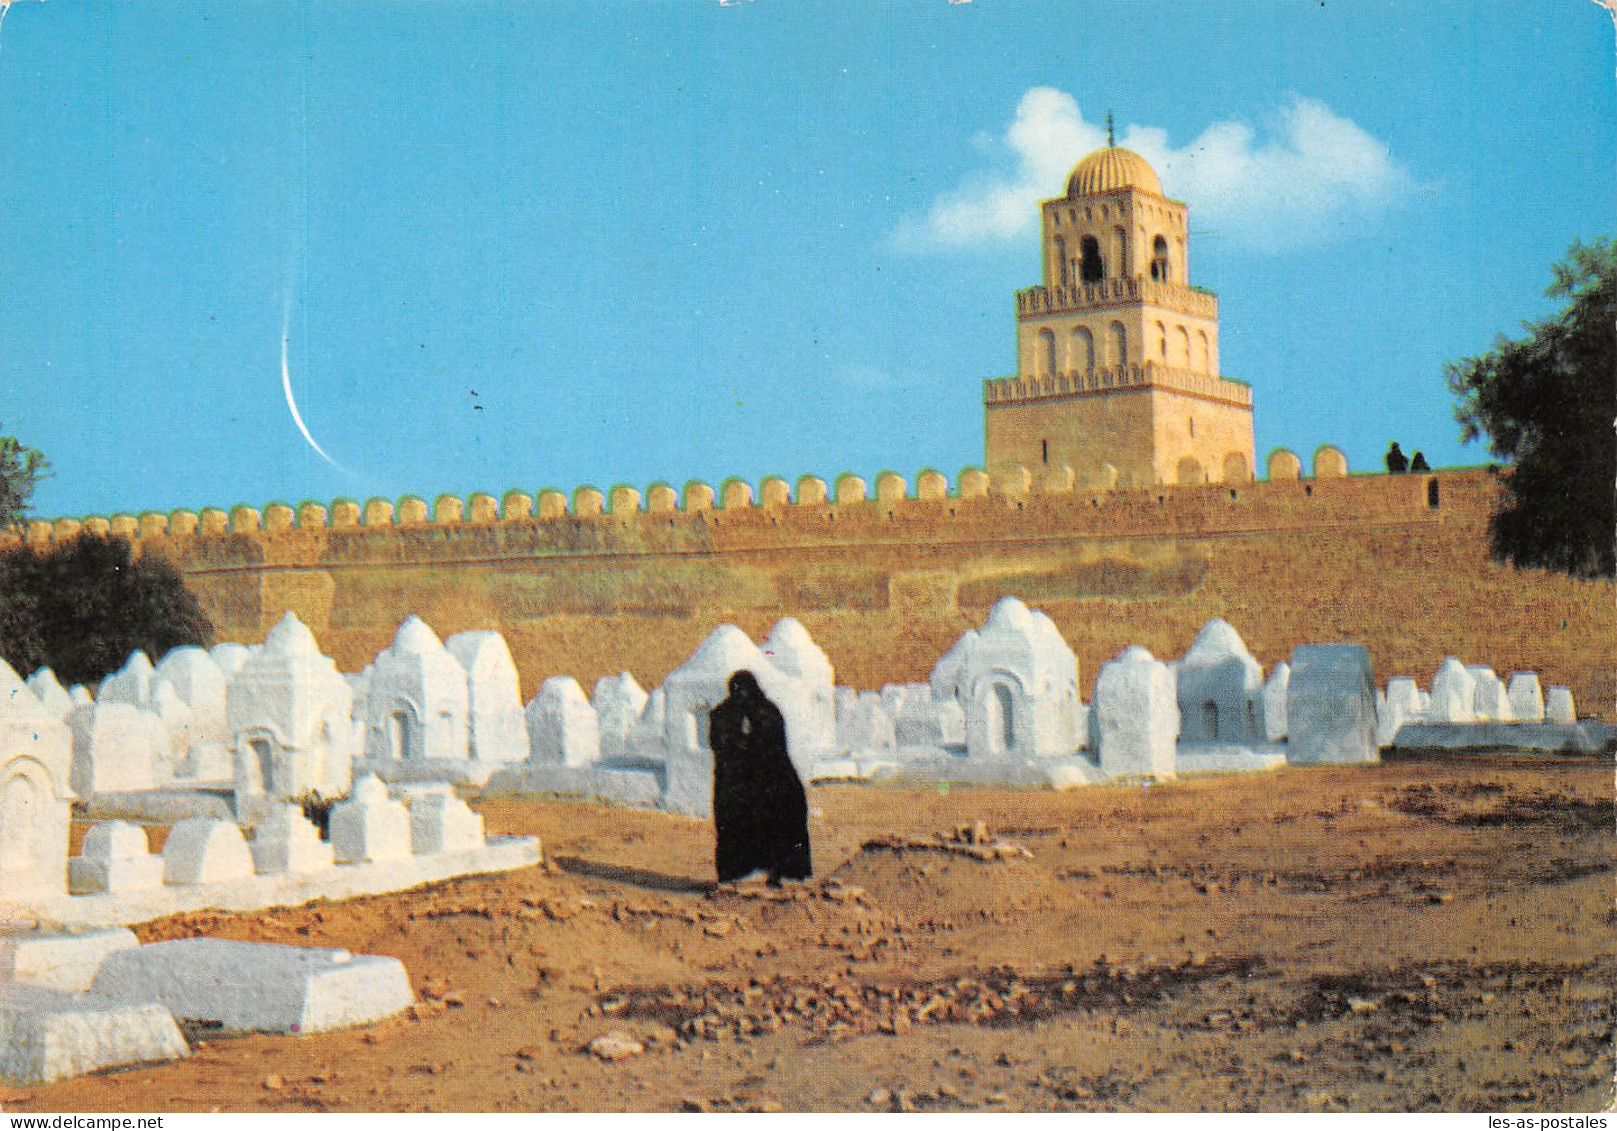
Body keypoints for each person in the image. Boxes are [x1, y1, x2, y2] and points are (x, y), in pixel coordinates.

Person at [708, 670, 812, 885]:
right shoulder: (723, 714)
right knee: (738, 828)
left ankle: (778, 874)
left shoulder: (767, 712)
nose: (742, 696)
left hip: (771, 781)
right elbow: (720, 744)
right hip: (736, 785)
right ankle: (737, 876)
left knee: (777, 825)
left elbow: (774, 745)